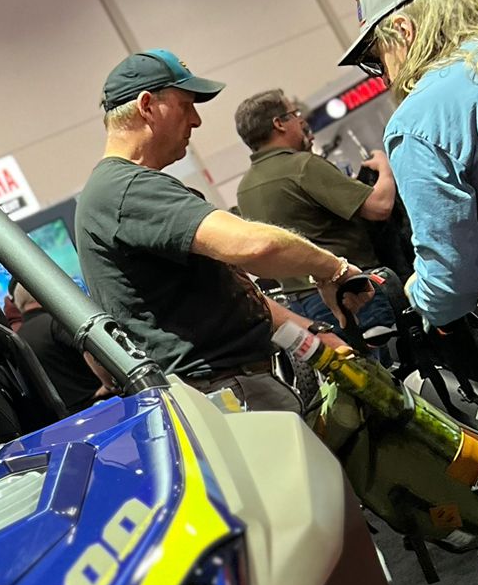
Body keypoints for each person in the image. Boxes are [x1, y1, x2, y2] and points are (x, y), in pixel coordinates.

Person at [75, 50, 366, 411]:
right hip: (224, 393)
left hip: (234, 385)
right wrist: (334, 270)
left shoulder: (124, 189)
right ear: (147, 106)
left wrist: (315, 340)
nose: (196, 120)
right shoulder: (126, 190)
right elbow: (254, 245)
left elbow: (232, 296)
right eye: (186, 106)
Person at [343, 0, 478, 330]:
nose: (385, 72)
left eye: (378, 55)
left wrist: (419, 292)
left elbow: (453, 280)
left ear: (404, 31)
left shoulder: (419, 120)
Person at [233, 90, 397, 332]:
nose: (301, 120)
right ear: (279, 123)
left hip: (299, 306)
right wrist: (385, 166)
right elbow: (379, 206)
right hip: (349, 294)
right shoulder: (302, 166)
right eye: (294, 114)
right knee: (390, 352)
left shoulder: (245, 188)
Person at [10, 284, 101, 414]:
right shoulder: (56, 323)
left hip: (59, 417)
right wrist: (109, 384)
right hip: (98, 404)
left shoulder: (17, 338)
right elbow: (92, 351)